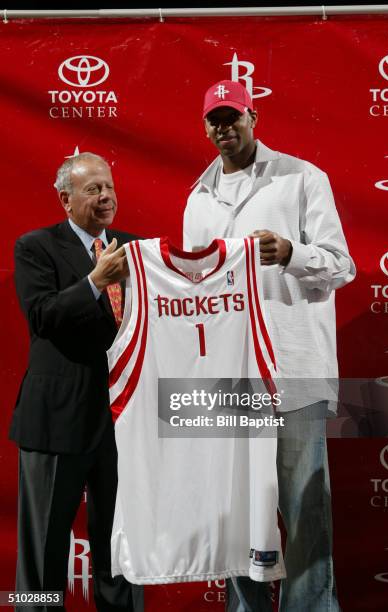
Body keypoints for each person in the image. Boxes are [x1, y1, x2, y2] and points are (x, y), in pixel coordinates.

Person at [183, 80, 356, 612]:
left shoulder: (302, 177)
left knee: (305, 507)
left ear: (253, 116)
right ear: (205, 126)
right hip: (230, 375)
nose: (224, 127)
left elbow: (342, 266)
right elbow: (194, 292)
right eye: (215, 119)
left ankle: (312, 607)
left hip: (294, 367)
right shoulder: (197, 198)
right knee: (239, 510)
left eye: (233, 116)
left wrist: (291, 253)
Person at [9, 153, 143, 612]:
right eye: (93, 189)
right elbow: (42, 317)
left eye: (108, 187)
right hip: (55, 424)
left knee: (121, 554)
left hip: (122, 427)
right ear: (66, 200)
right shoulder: (35, 247)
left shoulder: (135, 248)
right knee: (42, 556)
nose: (105, 196)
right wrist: (94, 280)